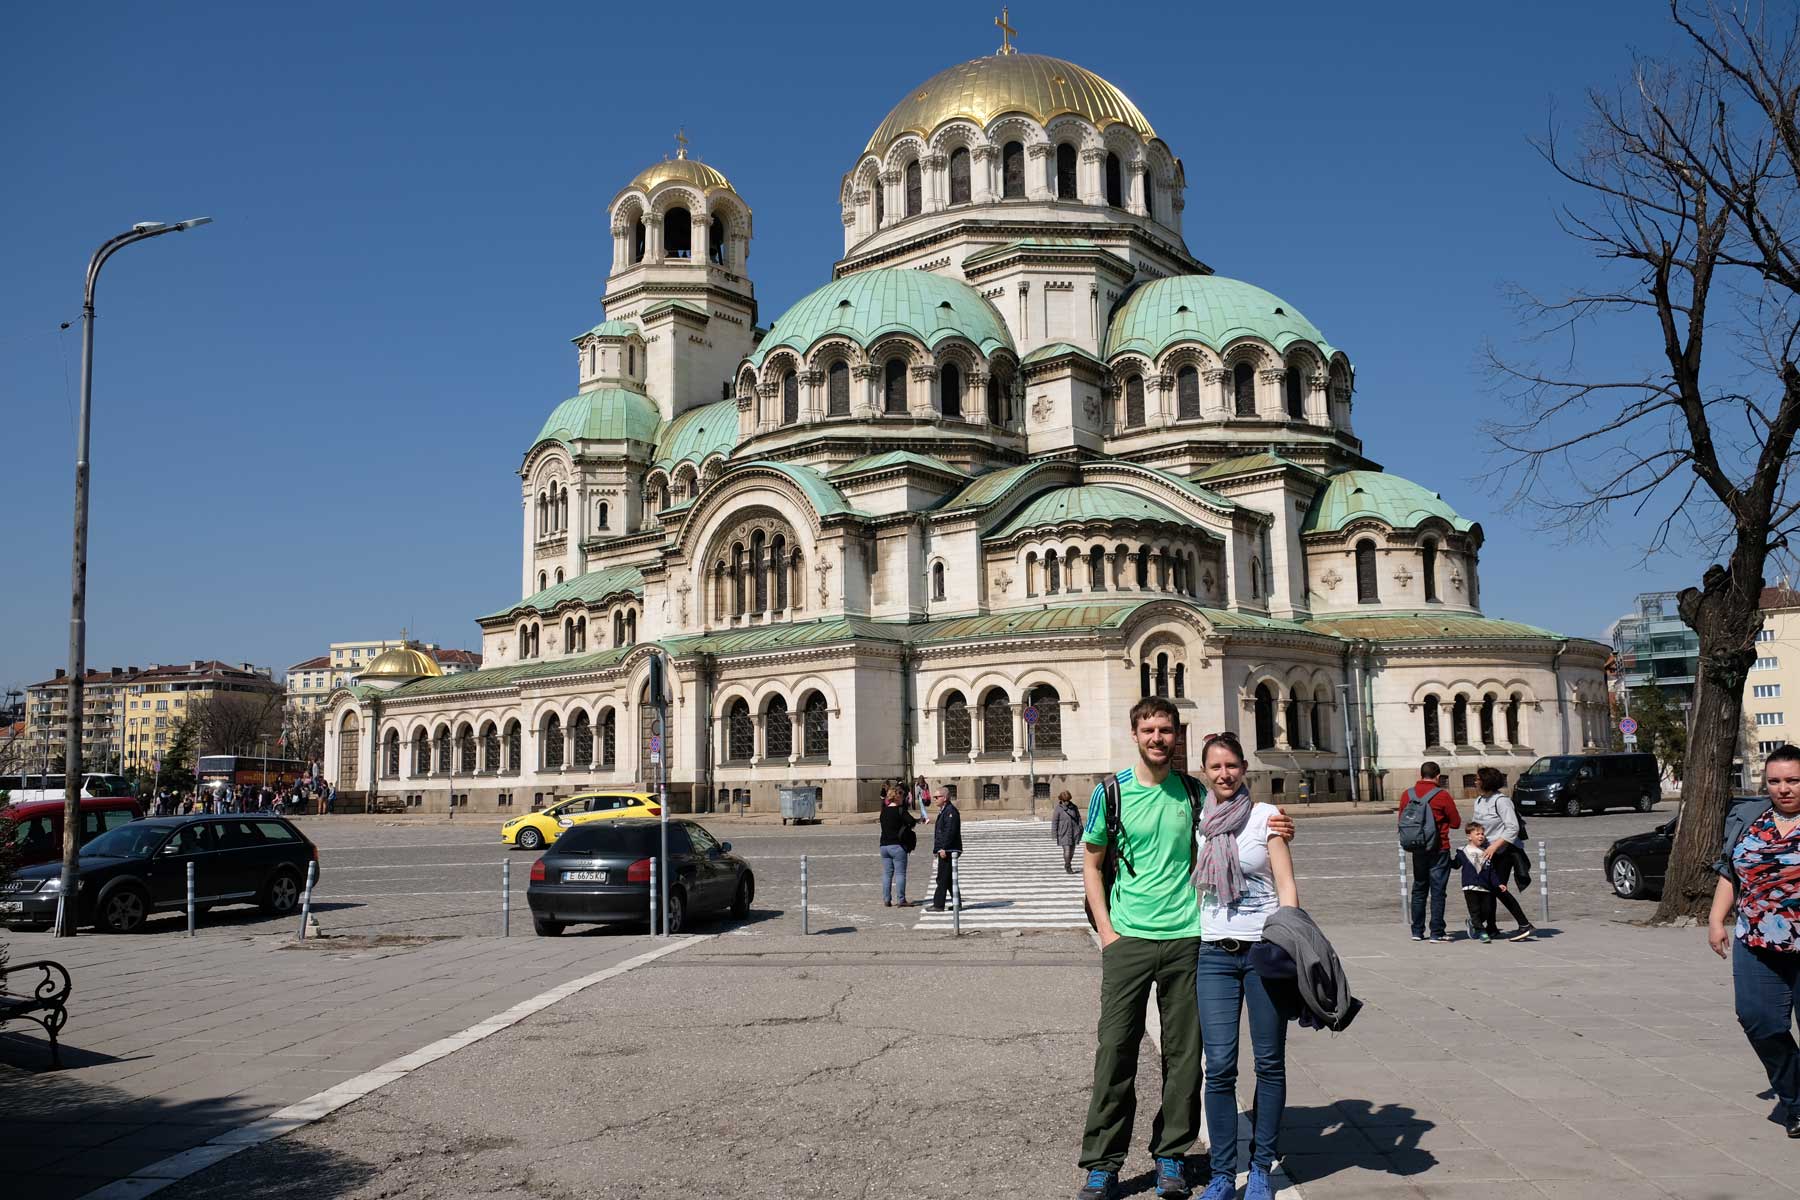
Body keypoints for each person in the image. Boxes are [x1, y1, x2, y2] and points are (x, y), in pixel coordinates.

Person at [1076, 700, 1295, 1200]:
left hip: (1188, 939)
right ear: (1134, 733)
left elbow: (1245, 825)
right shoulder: (1110, 793)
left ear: (1177, 737)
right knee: (1115, 1052)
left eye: (1167, 730)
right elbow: (1092, 865)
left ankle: (1171, 1157)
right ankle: (1103, 1164)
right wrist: (1108, 934)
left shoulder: (1195, 794)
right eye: (1149, 729)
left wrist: (1284, 827)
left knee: (1185, 1056)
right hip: (1129, 938)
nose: (1158, 737)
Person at [1192, 731, 1298, 1200]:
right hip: (1213, 952)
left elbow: (1286, 885)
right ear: (1204, 773)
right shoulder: (1198, 820)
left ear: (1243, 768)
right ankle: (1221, 1172)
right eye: (1215, 767)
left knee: (1270, 1063)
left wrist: (1291, 943)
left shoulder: (1267, 818)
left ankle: (1260, 1167)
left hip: (1263, 953)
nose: (1224, 774)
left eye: (1231, 765)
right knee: (1218, 1066)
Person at [1709, 743, 1800, 1137]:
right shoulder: (1748, 816)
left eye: (1794, 780)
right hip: (1756, 942)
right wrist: (1716, 919)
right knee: (1758, 1021)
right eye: (1776, 780)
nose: (1784, 788)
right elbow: (1731, 870)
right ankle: (1795, 1099)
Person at [1470, 766, 1535, 940]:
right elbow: (1477, 826)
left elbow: (1512, 827)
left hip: (1504, 852)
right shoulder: (1479, 801)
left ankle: (1524, 924)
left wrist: (1494, 846)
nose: (1475, 781)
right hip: (1486, 852)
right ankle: (1491, 927)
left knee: (1498, 888)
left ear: (1486, 782)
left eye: (1478, 779)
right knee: (1488, 889)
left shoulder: (1501, 801)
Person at [1400, 761, 1461, 942]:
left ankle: (1417, 931)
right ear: (1438, 776)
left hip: (1417, 847)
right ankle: (1437, 931)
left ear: (1420, 775)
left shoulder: (1407, 794)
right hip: (1439, 848)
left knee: (1419, 889)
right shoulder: (1442, 795)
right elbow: (1456, 822)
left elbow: (1402, 820)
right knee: (1438, 890)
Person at [1456, 822, 1500, 943]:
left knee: (1487, 910)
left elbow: (1492, 871)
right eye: (1477, 834)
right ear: (1469, 836)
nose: (1481, 836)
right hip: (1469, 887)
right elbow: (1455, 864)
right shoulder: (1462, 851)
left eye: (1482, 834)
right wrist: (1443, 860)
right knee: (1474, 910)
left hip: (1485, 887)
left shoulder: (1486, 852)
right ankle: (1482, 932)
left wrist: (1498, 883)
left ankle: (1472, 922)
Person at [878, 786, 918, 908]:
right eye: (903, 796)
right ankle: (901, 899)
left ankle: (886, 899)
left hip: (884, 846)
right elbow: (912, 822)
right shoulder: (900, 810)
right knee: (900, 873)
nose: (904, 798)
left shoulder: (884, 811)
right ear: (898, 797)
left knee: (887, 874)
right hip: (897, 846)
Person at [929, 788, 961, 911]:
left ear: (945, 798)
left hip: (949, 850)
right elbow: (940, 832)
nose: (935, 800)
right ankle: (957, 903)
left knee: (942, 878)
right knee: (948, 879)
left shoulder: (950, 811)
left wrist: (943, 848)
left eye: (937, 797)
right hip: (944, 849)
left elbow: (949, 832)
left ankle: (938, 904)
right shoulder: (944, 811)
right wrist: (936, 849)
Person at [1053, 790, 1084, 873]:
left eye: (1068, 800)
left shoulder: (1074, 807)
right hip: (1064, 832)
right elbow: (1055, 821)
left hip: (1074, 831)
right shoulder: (1058, 809)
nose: (1066, 802)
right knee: (1067, 850)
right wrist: (1054, 833)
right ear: (1061, 800)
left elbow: (1078, 818)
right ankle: (1068, 865)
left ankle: (1068, 862)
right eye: (1065, 800)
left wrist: (1080, 827)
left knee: (1072, 851)